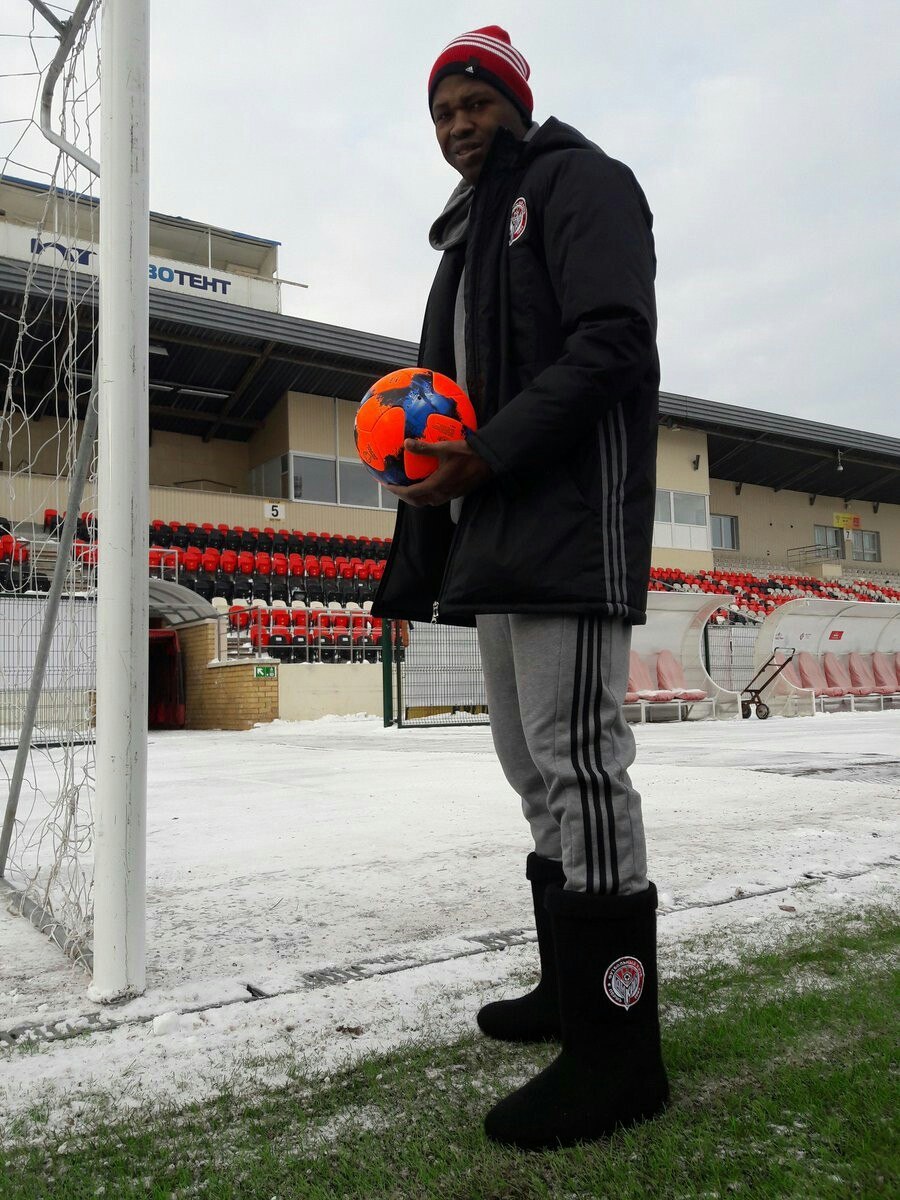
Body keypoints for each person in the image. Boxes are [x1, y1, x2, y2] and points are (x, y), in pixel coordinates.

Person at [372, 25, 667, 1150]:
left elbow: (614, 346)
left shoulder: (578, 183)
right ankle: (568, 990)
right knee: (531, 771)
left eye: (473, 103)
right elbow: (443, 400)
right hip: (495, 534)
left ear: (512, 100)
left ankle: (618, 1052)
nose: (457, 125)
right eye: (441, 112)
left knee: (583, 770)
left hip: (568, 528)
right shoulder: (464, 242)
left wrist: (486, 453)